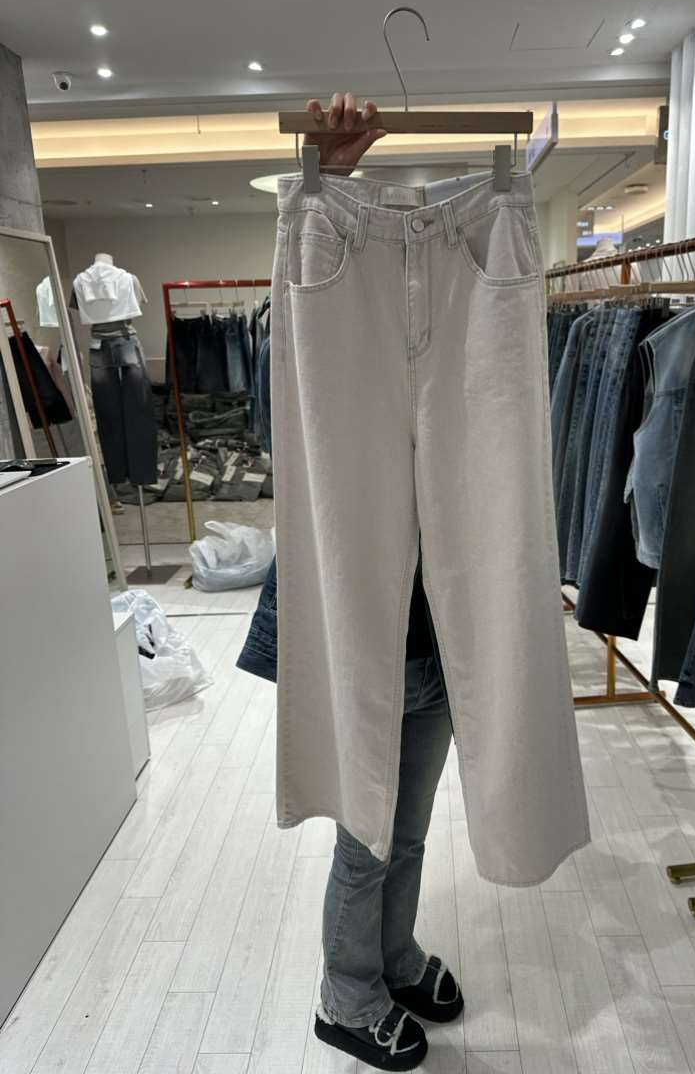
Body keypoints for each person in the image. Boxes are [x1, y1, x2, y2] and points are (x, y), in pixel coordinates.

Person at [238, 93, 464, 1073]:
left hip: (442, 634)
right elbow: (307, 307)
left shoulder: (459, 324)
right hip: (369, 630)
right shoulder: (331, 331)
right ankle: (347, 991)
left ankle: (392, 957)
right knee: (366, 833)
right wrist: (325, 180)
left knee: (407, 829)